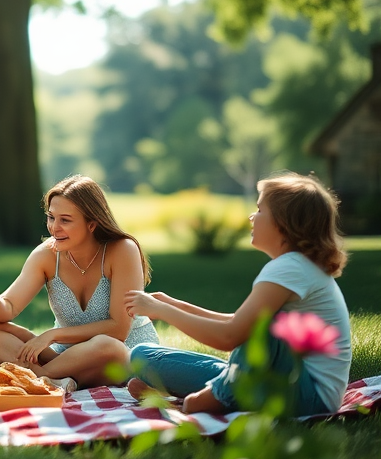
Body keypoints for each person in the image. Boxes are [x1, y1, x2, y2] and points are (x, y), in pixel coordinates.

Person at [125, 172, 351, 417]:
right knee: (142, 355)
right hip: (280, 382)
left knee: (263, 328)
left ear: (284, 223)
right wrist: (175, 305)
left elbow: (230, 336)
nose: (252, 216)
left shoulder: (290, 267)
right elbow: (237, 321)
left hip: (306, 395)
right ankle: (208, 395)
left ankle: (200, 402)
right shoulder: (297, 266)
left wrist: (161, 311)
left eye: (260, 209)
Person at [0, 175, 158, 390]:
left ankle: (40, 377)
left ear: (92, 224)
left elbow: (118, 329)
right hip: (64, 358)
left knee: (108, 345)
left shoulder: (122, 250)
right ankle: (54, 379)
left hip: (122, 357)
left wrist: (53, 335)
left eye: (65, 220)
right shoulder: (46, 255)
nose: (54, 227)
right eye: (51, 217)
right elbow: (7, 309)